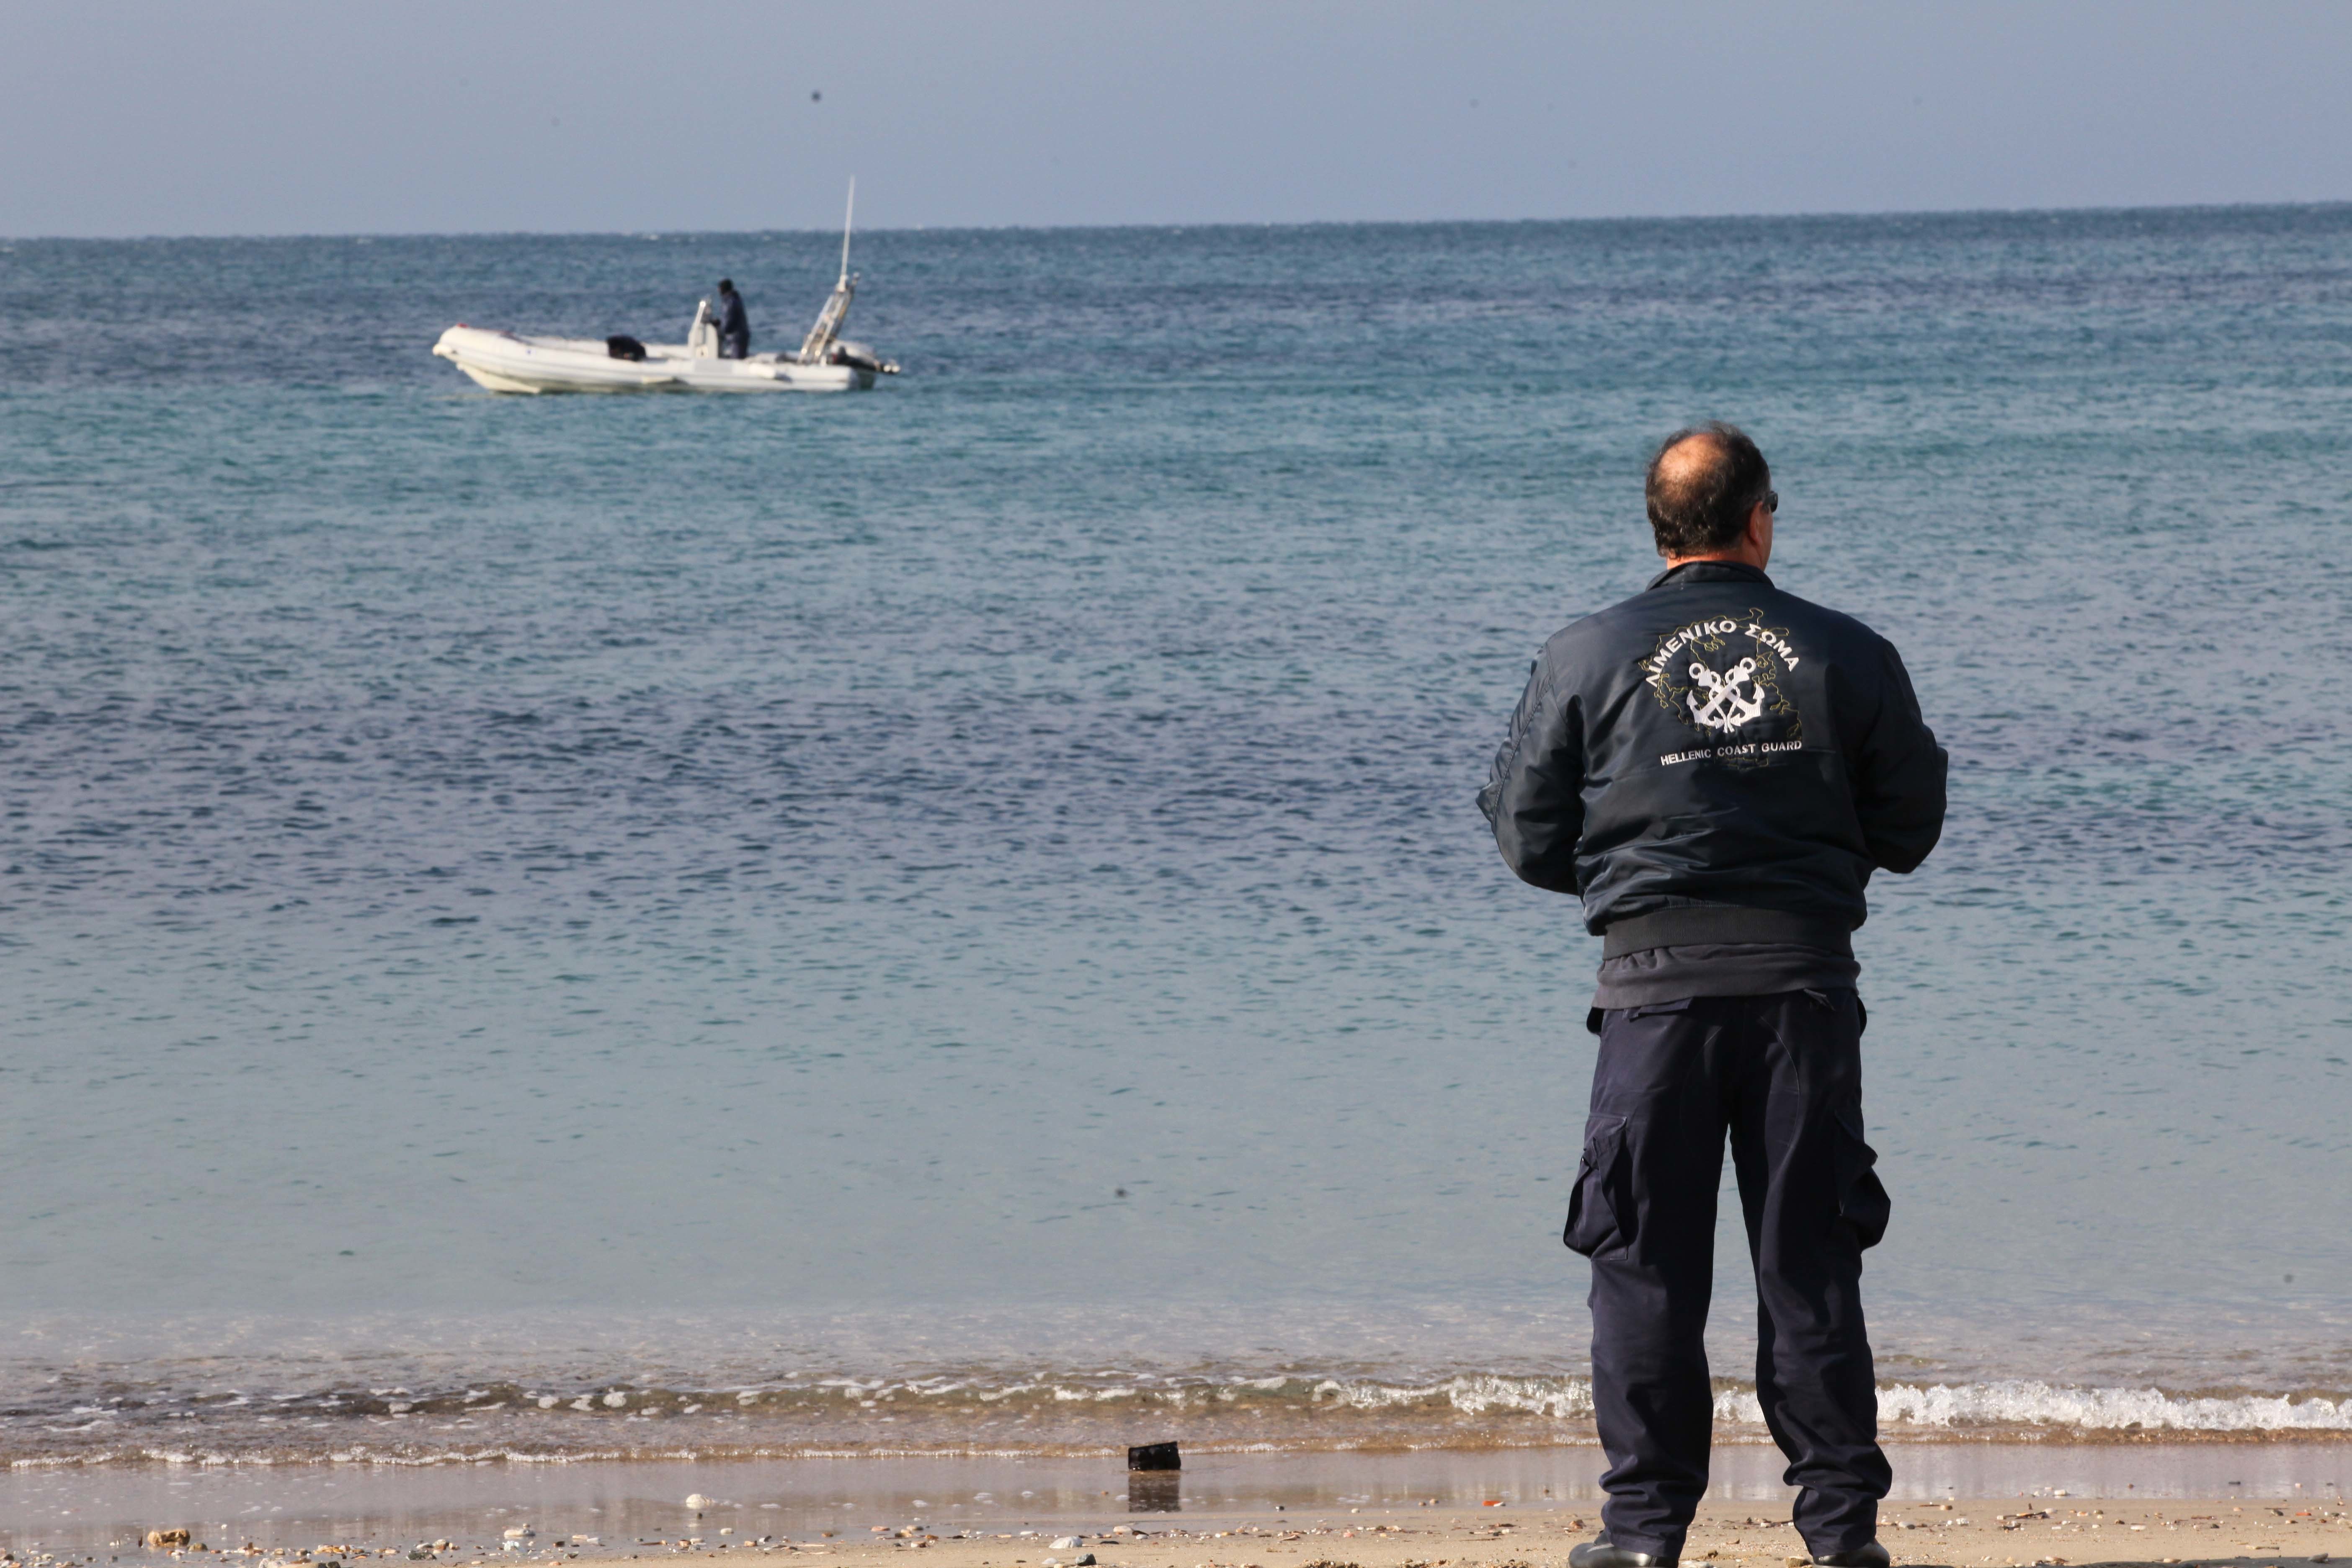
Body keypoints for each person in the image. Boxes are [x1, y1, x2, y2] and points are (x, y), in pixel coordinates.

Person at [1478, 424, 1946, 1568]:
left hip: (1653, 997)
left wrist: (1625, 878)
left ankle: (1643, 1535)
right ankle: (1841, 1537)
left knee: (1642, 1267)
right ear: (1759, 520)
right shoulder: (1846, 650)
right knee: (1809, 1263)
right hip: (1801, 994)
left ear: (1659, 528)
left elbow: (1525, 832)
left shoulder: (1585, 653)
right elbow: (1912, 827)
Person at [714, 279, 750, 358]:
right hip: (740, 336)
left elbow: (728, 323)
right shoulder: (735, 299)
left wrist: (720, 330)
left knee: (737, 360)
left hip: (736, 338)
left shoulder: (729, 302)